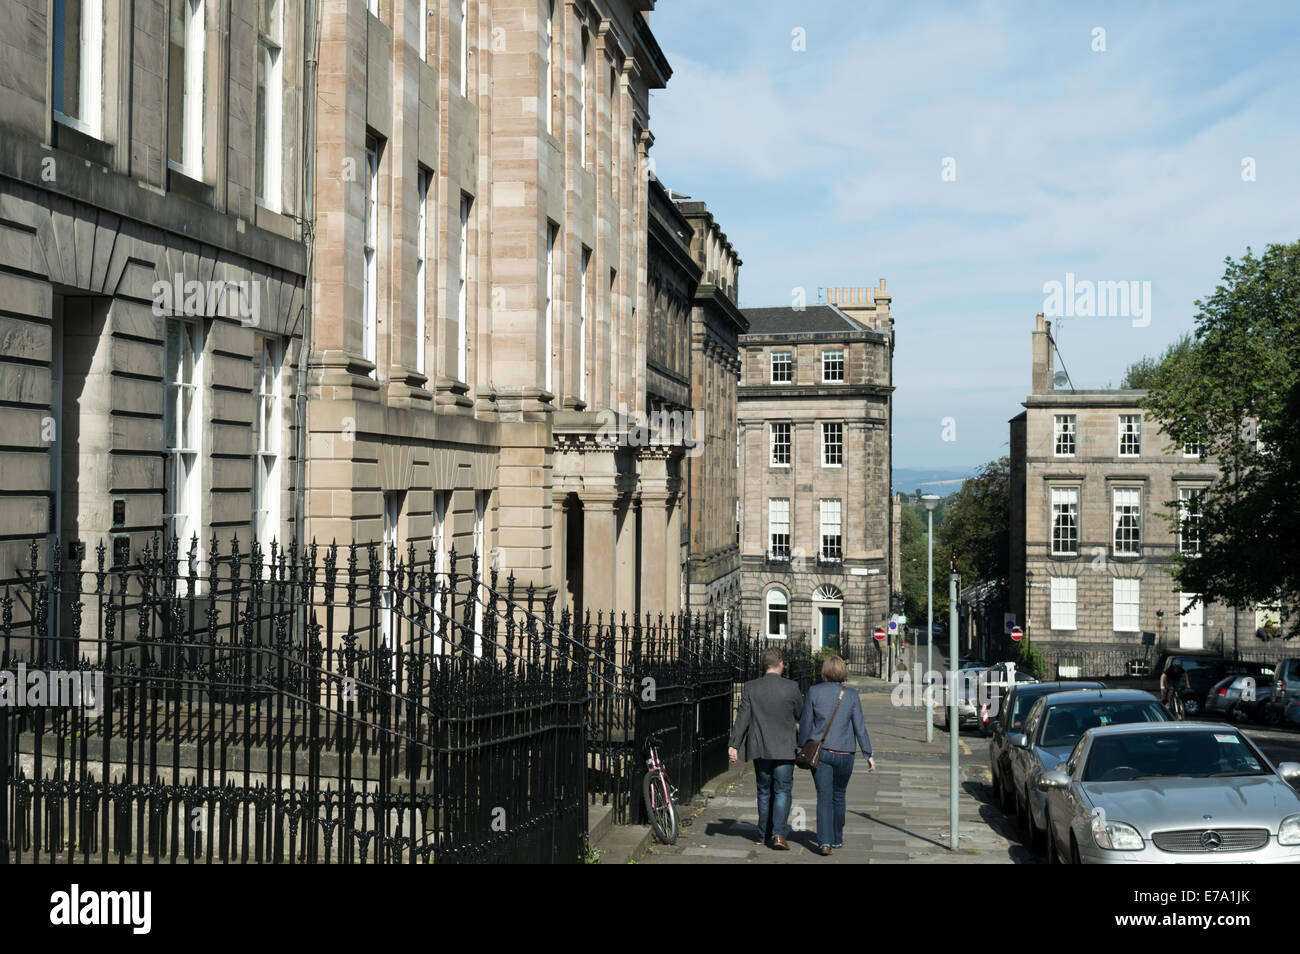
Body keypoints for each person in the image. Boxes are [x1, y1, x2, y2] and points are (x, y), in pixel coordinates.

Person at [797, 654, 874, 855]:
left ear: (824, 671)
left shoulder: (814, 691)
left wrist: (800, 748)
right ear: (843, 672)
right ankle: (837, 837)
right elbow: (860, 727)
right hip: (846, 753)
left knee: (824, 797)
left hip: (822, 753)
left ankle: (824, 842)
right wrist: (868, 754)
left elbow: (805, 725)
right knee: (839, 796)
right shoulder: (851, 695)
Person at [728, 646, 803, 850]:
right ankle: (779, 834)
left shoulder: (751, 687)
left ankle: (763, 834)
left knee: (763, 791)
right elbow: (800, 714)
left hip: (760, 747)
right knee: (782, 791)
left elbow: (742, 718)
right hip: (786, 749)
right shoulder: (792, 687)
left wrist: (734, 744)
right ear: (780, 663)